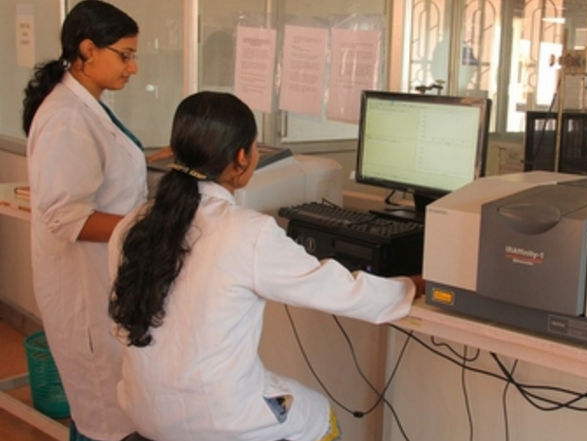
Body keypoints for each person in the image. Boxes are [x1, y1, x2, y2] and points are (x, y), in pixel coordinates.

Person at [108, 91, 422, 441]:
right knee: (320, 415)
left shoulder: (131, 227)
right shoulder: (247, 233)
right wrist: (410, 288)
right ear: (241, 158)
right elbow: (339, 290)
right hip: (219, 420)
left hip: (145, 412)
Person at [22, 1, 145, 440]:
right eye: (125, 55)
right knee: (101, 414)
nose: (133, 68)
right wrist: (145, 228)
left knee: (107, 406)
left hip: (102, 281)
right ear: (88, 50)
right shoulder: (66, 117)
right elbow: (67, 218)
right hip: (84, 291)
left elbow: (103, 169)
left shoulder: (86, 104)